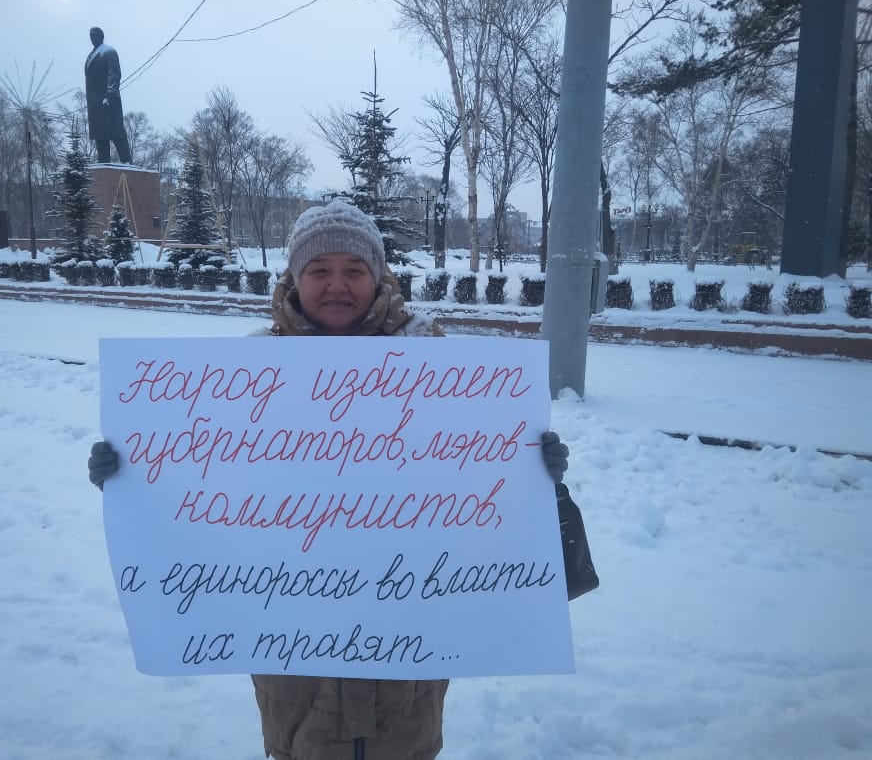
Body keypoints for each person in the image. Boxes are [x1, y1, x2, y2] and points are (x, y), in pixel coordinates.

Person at [87, 200, 570, 760]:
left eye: (354, 270)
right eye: (319, 269)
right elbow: (205, 494)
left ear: (378, 276)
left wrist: (534, 473)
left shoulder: (433, 363)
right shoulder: (245, 374)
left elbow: (479, 493)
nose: (336, 285)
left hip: (409, 631)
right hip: (290, 639)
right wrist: (133, 474)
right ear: (295, 277)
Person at [84, 26, 131, 164]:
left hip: (108, 101)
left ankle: (127, 164)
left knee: (117, 134)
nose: (92, 38)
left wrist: (110, 93)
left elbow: (114, 73)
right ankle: (103, 164)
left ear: (101, 36)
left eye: (95, 35)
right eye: (91, 36)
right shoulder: (91, 55)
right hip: (95, 104)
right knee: (100, 136)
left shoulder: (109, 52)